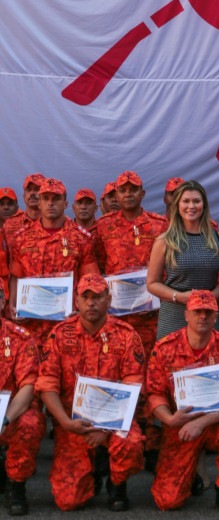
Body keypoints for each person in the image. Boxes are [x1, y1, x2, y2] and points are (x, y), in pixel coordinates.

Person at [36, 273, 145, 511]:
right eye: (85, 297)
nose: (91, 303)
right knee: (68, 501)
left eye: (97, 297)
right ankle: (93, 469)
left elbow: (134, 386)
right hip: (73, 423)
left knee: (132, 443)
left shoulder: (126, 335)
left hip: (115, 423)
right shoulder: (59, 335)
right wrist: (65, 423)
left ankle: (117, 484)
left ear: (109, 299)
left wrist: (106, 430)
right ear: (76, 301)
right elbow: (47, 384)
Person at [146, 290, 219, 515]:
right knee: (167, 501)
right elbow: (154, 394)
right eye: (197, 311)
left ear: (215, 316)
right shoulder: (165, 348)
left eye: (208, 312)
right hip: (180, 425)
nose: (202, 316)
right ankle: (189, 473)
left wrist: (201, 423)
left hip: (216, 423)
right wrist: (169, 419)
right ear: (186, 315)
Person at [9, 178, 99, 354]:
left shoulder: (82, 238)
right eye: (46, 198)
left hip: (67, 324)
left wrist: (81, 310)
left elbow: (90, 281)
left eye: (56, 199)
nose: (50, 203)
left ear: (65, 203)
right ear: (39, 203)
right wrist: (12, 305)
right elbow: (16, 276)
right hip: (31, 324)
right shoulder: (21, 238)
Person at [147, 180, 219, 341]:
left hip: (207, 318)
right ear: (177, 206)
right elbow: (152, 283)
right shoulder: (164, 241)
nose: (191, 206)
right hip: (174, 318)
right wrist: (179, 296)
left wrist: (208, 299)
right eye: (186, 201)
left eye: (196, 201)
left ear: (204, 205)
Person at [96, 171, 167, 359]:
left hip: (150, 313)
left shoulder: (159, 225)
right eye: (123, 190)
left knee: (151, 361)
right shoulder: (103, 225)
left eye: (133, 190)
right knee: (116, 360)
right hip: (116, 313)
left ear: (142, 194)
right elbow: (100, 263)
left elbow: (168, 265)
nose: (128, 194)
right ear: (117, 194)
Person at [0, 278, 46, 516]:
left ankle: (15, 485)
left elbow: (28, 386)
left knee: (31, 422)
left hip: (9, 415)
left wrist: (4, 420)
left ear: (2, 302)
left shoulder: (20, 338)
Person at [3, 174, 45, 254]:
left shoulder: (56, 224)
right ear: (24, 196)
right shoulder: (9, 225)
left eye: (37, 189)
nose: (32, 193)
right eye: (28, 190)